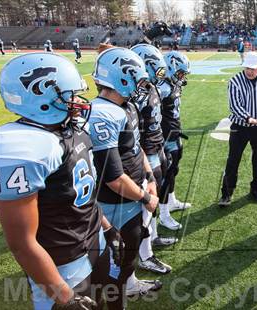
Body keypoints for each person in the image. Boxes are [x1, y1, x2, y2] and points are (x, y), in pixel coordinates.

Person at [0, 53, 124, 309]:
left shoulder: (73, 129)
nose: (77, 101)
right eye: (69, 95)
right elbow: (22, 243)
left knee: (106, 299)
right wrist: (65, 297)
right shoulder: (24, 147)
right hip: (64, 261)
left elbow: (82, 196)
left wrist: (106, 228)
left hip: (93, 238)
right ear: (42, 97)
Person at [89, 47, 162, 300]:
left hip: (133, 193)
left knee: (128, 255)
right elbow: (112, 178)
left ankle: (130, 285)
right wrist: (145, 197)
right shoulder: (102, 113)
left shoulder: (126, 106)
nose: (142, 85)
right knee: (113, 265)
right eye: (137, 79)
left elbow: (136, 146)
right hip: (114, 203)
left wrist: (150, 177)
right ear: (122, 77)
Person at [131, 43, 177, 275]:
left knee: (155, 198)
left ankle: (154, 238)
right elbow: (134, 132)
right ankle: (145, 254)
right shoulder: (135, 95)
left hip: (156, 147)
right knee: (146, 204)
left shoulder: (152, 87)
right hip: (145, 152)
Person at [218, 52, 257, 207]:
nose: (250, 71)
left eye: (253, 68)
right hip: (240, 127)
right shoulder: (235, 81)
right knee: (233, 160)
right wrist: (248, 118)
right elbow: (234, 105)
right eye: (247, 68)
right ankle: (227, 192)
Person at [157, 51, 192, 230]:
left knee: (174, 170)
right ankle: (163, 214)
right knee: (166, 174)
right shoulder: (161, 88)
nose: (181, 77)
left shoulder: (173, 85)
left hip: (175, 133)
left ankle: (171, 200)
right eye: (179, 73)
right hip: (164, 137)